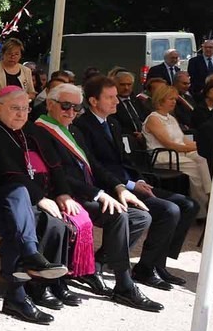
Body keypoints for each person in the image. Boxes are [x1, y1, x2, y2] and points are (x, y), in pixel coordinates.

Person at [30, 83, 160, 311]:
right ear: (50, 104)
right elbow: (58, 174)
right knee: (118, 215)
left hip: (87, 193)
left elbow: (95, 166)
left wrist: (119, 187)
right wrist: (99, 195)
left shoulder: (74, 129)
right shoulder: (40, 131)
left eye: (76, 108)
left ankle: (95, 265)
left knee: (140, 218)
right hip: (64, 195)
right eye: (66, 106)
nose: (71, 112)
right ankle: (124, 285)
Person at [72, 76, 198, 289]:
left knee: (188, 205)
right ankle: (142, 268)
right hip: (110, 186)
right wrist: (128, 186)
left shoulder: (112, 123)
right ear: (93, 101)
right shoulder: (82, 126)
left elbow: (126, 158)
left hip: (129, 182)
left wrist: (138, 179)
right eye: (110, 97)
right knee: (169, 210)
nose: (117, 102)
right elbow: (94, 166)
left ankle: (157, 263)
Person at [0, 87, 75, 322]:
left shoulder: (31, 130)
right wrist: (40, 198)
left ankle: (44, 284)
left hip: (26, 195)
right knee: (30, 218)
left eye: (25, 108)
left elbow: (55, 165)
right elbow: (7, 172)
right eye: (15, 108)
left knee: (57, 221)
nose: (21, 114)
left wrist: (62, 193)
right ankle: (20, 291)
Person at [142, 85, 212, 217]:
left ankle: (210, 194)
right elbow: (169, 144)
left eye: (175, 99)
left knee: (203, 158)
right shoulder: (153, 119)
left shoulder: (171, 118)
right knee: (194, 168)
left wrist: (200, 146)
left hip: (178, 152)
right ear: (160, 100)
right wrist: (198, 147)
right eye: (170, 99)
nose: (174, 102)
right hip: (163, 155)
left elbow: (183, 140)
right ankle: (202, 211)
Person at [0, 37, 35, 103]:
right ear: (3, 54)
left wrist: (22, 98)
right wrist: (11, 100)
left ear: (20, 55)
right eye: (9, 53)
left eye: (16, 54)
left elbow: (32, 94)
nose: (13, 57)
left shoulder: (26, 70)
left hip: (21, 108)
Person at [187, 37, 213, 102]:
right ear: (202, 48)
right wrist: (205, 89)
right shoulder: (194, 61)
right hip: (200, 94)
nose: (208, 49)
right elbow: (193, 78)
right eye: (206, 47)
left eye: (210, 47)